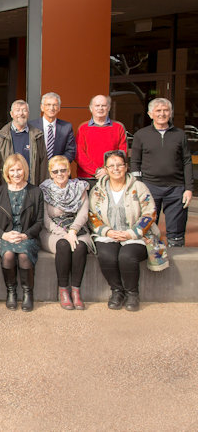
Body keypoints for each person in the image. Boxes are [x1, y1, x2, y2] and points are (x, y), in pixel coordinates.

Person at [89, 150, 159, 312]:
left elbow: (150, 213)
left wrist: (131, 233)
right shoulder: (98, 190)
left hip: (136, 235)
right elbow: (92, 215)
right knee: (106, 255)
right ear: (105, 169)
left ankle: (132, 293)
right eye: (111, 166)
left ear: (126, 167)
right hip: (109, 235)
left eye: (119, 165)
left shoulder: (138, 187)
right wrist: (107, 232)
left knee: (126, 256)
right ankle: (117, 291)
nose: (116, 169)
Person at [131, 98, 193, 247]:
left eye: (165, 110)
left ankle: (177, 261)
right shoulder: (141, 135)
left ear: (170, 113)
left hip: (176, 188)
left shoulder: (179, 134)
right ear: (150, 114)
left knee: (176, 232)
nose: (162, 113)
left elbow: (187, 161)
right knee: (148, 228)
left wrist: (189, 189)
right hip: (149, 187)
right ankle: (151, 261)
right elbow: (135, 162)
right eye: (158, 110)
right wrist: (139, 186)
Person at [0, 154, 43, 312]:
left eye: (19, 169)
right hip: (4, 236)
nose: (16, 173)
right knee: (9, 255)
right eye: (12, 170)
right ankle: (11, 291)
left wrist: (25, 235)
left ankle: (27, 293)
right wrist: (4, 235)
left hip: (27, 236)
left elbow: (39, 222)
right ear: (7, 172)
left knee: (24, 255)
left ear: (25, 170)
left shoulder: (35, 192)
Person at [39, 156, 93, 310]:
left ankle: (76, 291)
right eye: (55, 171)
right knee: (63, 245)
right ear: (50, 173)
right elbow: (46, 219)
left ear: (69, 171)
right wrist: (64, 234)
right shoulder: (44, 190)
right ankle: (63, 290)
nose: (59, 174)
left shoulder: (79, 187)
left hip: (77, 229)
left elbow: (83, 213)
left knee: (80, 247)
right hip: (53, 231)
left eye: (63, 170)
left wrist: (73, 231)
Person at [0, 100, 48, 190]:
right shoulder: (1, 136)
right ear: (11, 114)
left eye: (24, 110)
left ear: (28, 114)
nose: (21, 113)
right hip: (8, 189)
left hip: (31, 189)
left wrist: (40, 190)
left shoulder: (38, 136)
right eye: (17, 110)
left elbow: (43, 166)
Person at [76, 94, 127, 187]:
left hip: (112, 177)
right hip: (88, 179)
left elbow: (122, 152)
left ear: (109, 108)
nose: (100, 108)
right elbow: (79, 154)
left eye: (103, 105)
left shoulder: (118, 127)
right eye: (97, 105)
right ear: (91, 108)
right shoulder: (83, 128)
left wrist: (108, 170)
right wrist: (97, 171)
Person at [28, 92, 76, 162]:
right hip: (36, 169)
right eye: (48, 105)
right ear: (42, 107)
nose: (51, 108)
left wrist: (58, 164)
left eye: (55, 105)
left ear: (59, 108)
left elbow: (70, 151)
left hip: (57, 170)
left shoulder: (66, 127)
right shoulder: (31, 126)